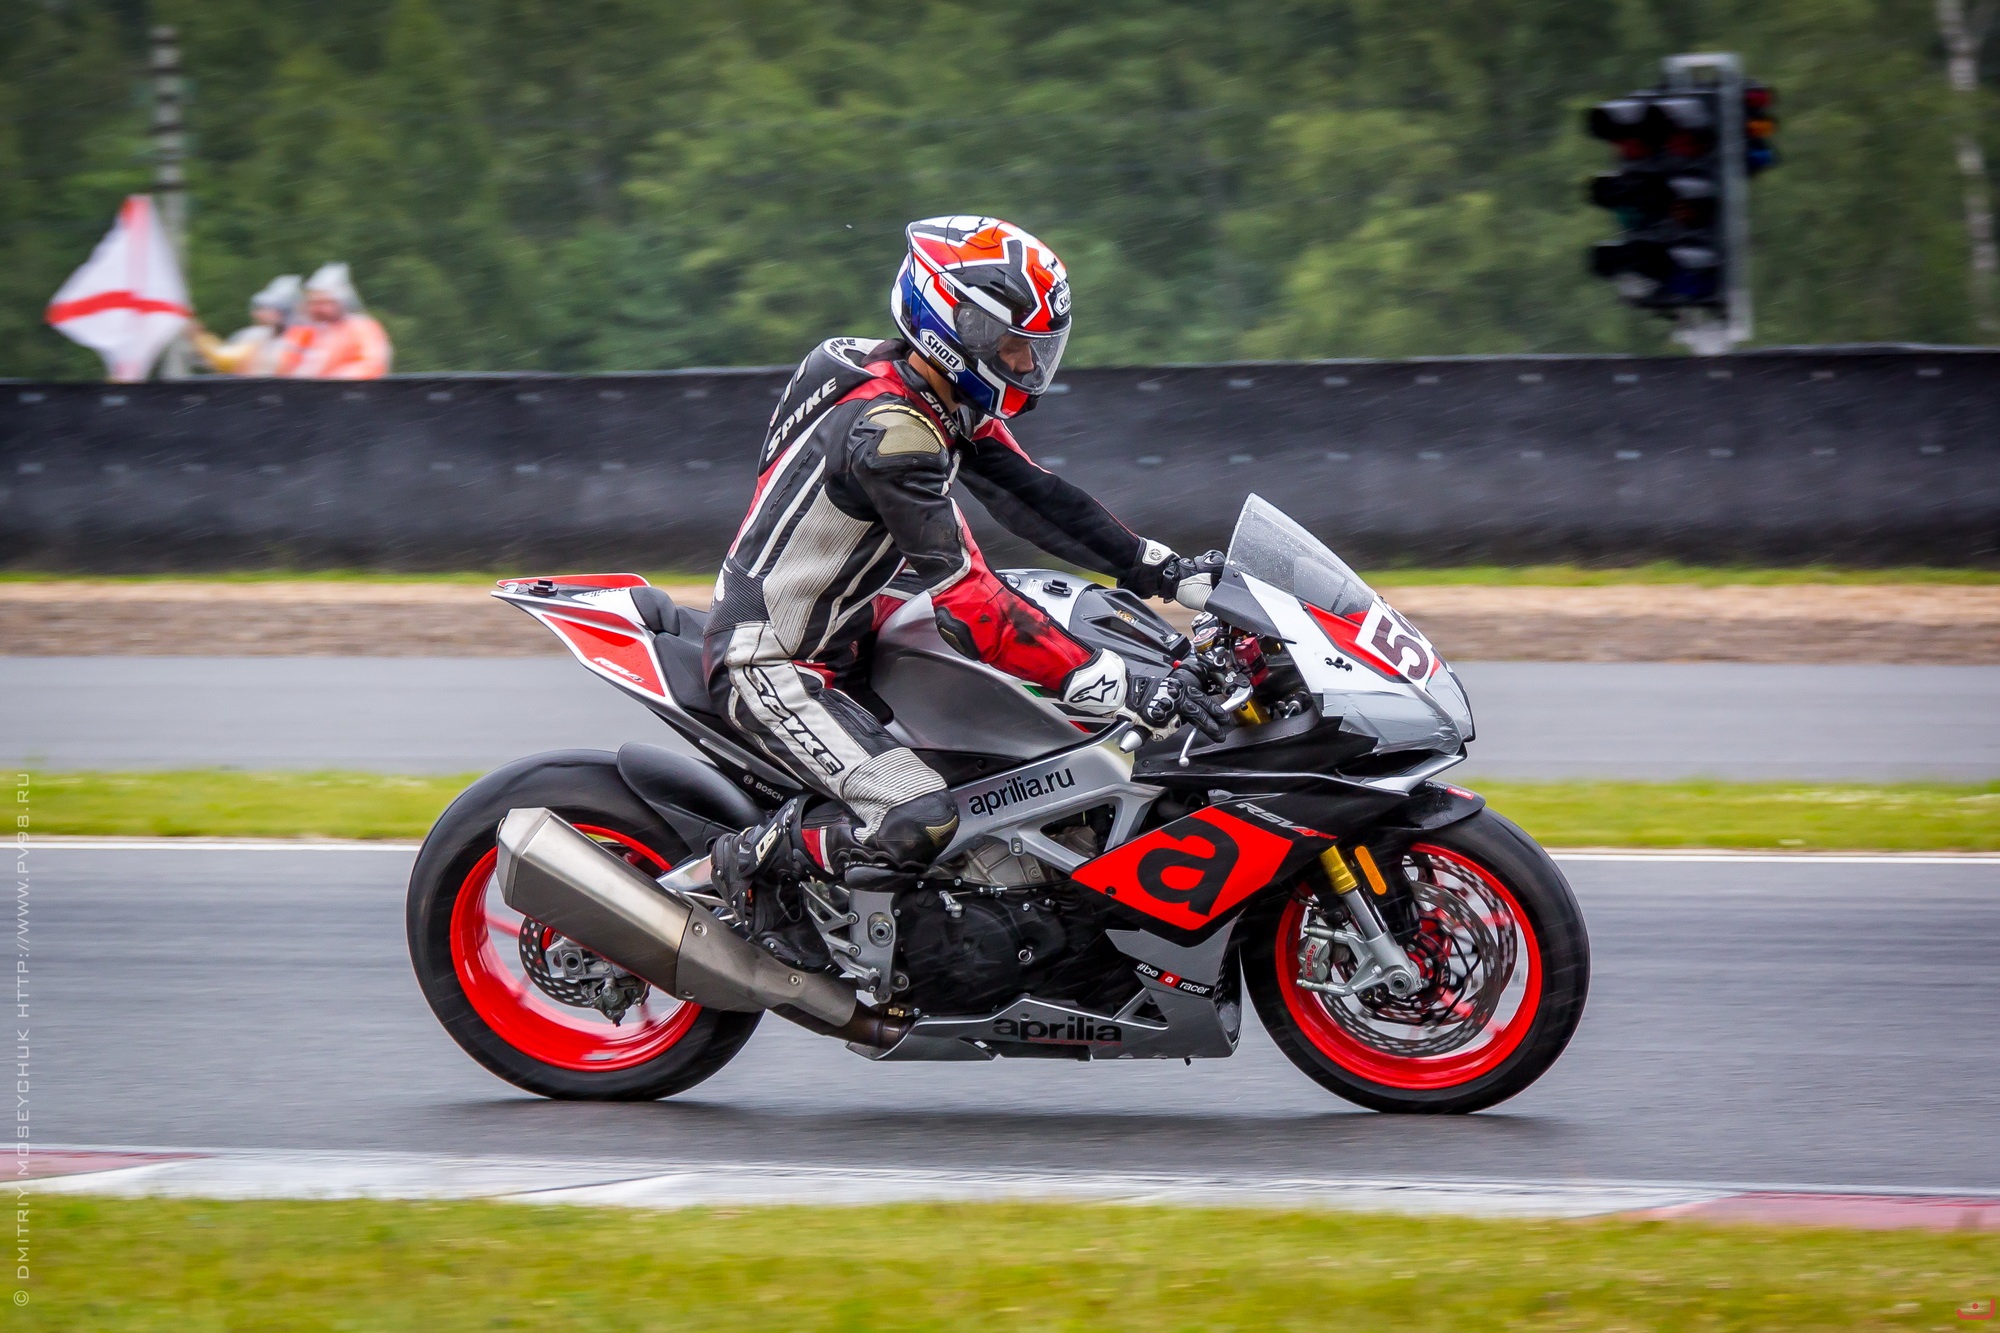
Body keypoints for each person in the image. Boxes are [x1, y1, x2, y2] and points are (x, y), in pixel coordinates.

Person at [704, 215, 1227, 963]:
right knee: (922, 815)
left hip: (854, 632)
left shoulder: (906, 382)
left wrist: (1165, 571)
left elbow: (1034, 495)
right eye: (1011, 343)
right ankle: (753, 859)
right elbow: (971, 603)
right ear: (953, 324)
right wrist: (1119, 683)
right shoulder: (892, 433)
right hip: (775, 660)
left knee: (1012, 762)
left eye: (1035, 346)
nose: (1026, 361)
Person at [278, 262, 392, 379]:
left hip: (347, 389)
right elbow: (286, 366)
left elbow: (372, 364)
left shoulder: (362, 328)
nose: (318, 309)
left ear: (341, 302)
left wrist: (333, 381)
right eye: (313, 303)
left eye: (324, 303)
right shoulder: (306, 331)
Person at [193, 274, 300, 376]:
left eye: (267, 309)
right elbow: (225, 359)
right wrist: (200, 337)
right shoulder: (254, 335)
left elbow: (225, 359)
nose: (257, 314)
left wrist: (200, 338)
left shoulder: (297, 339)